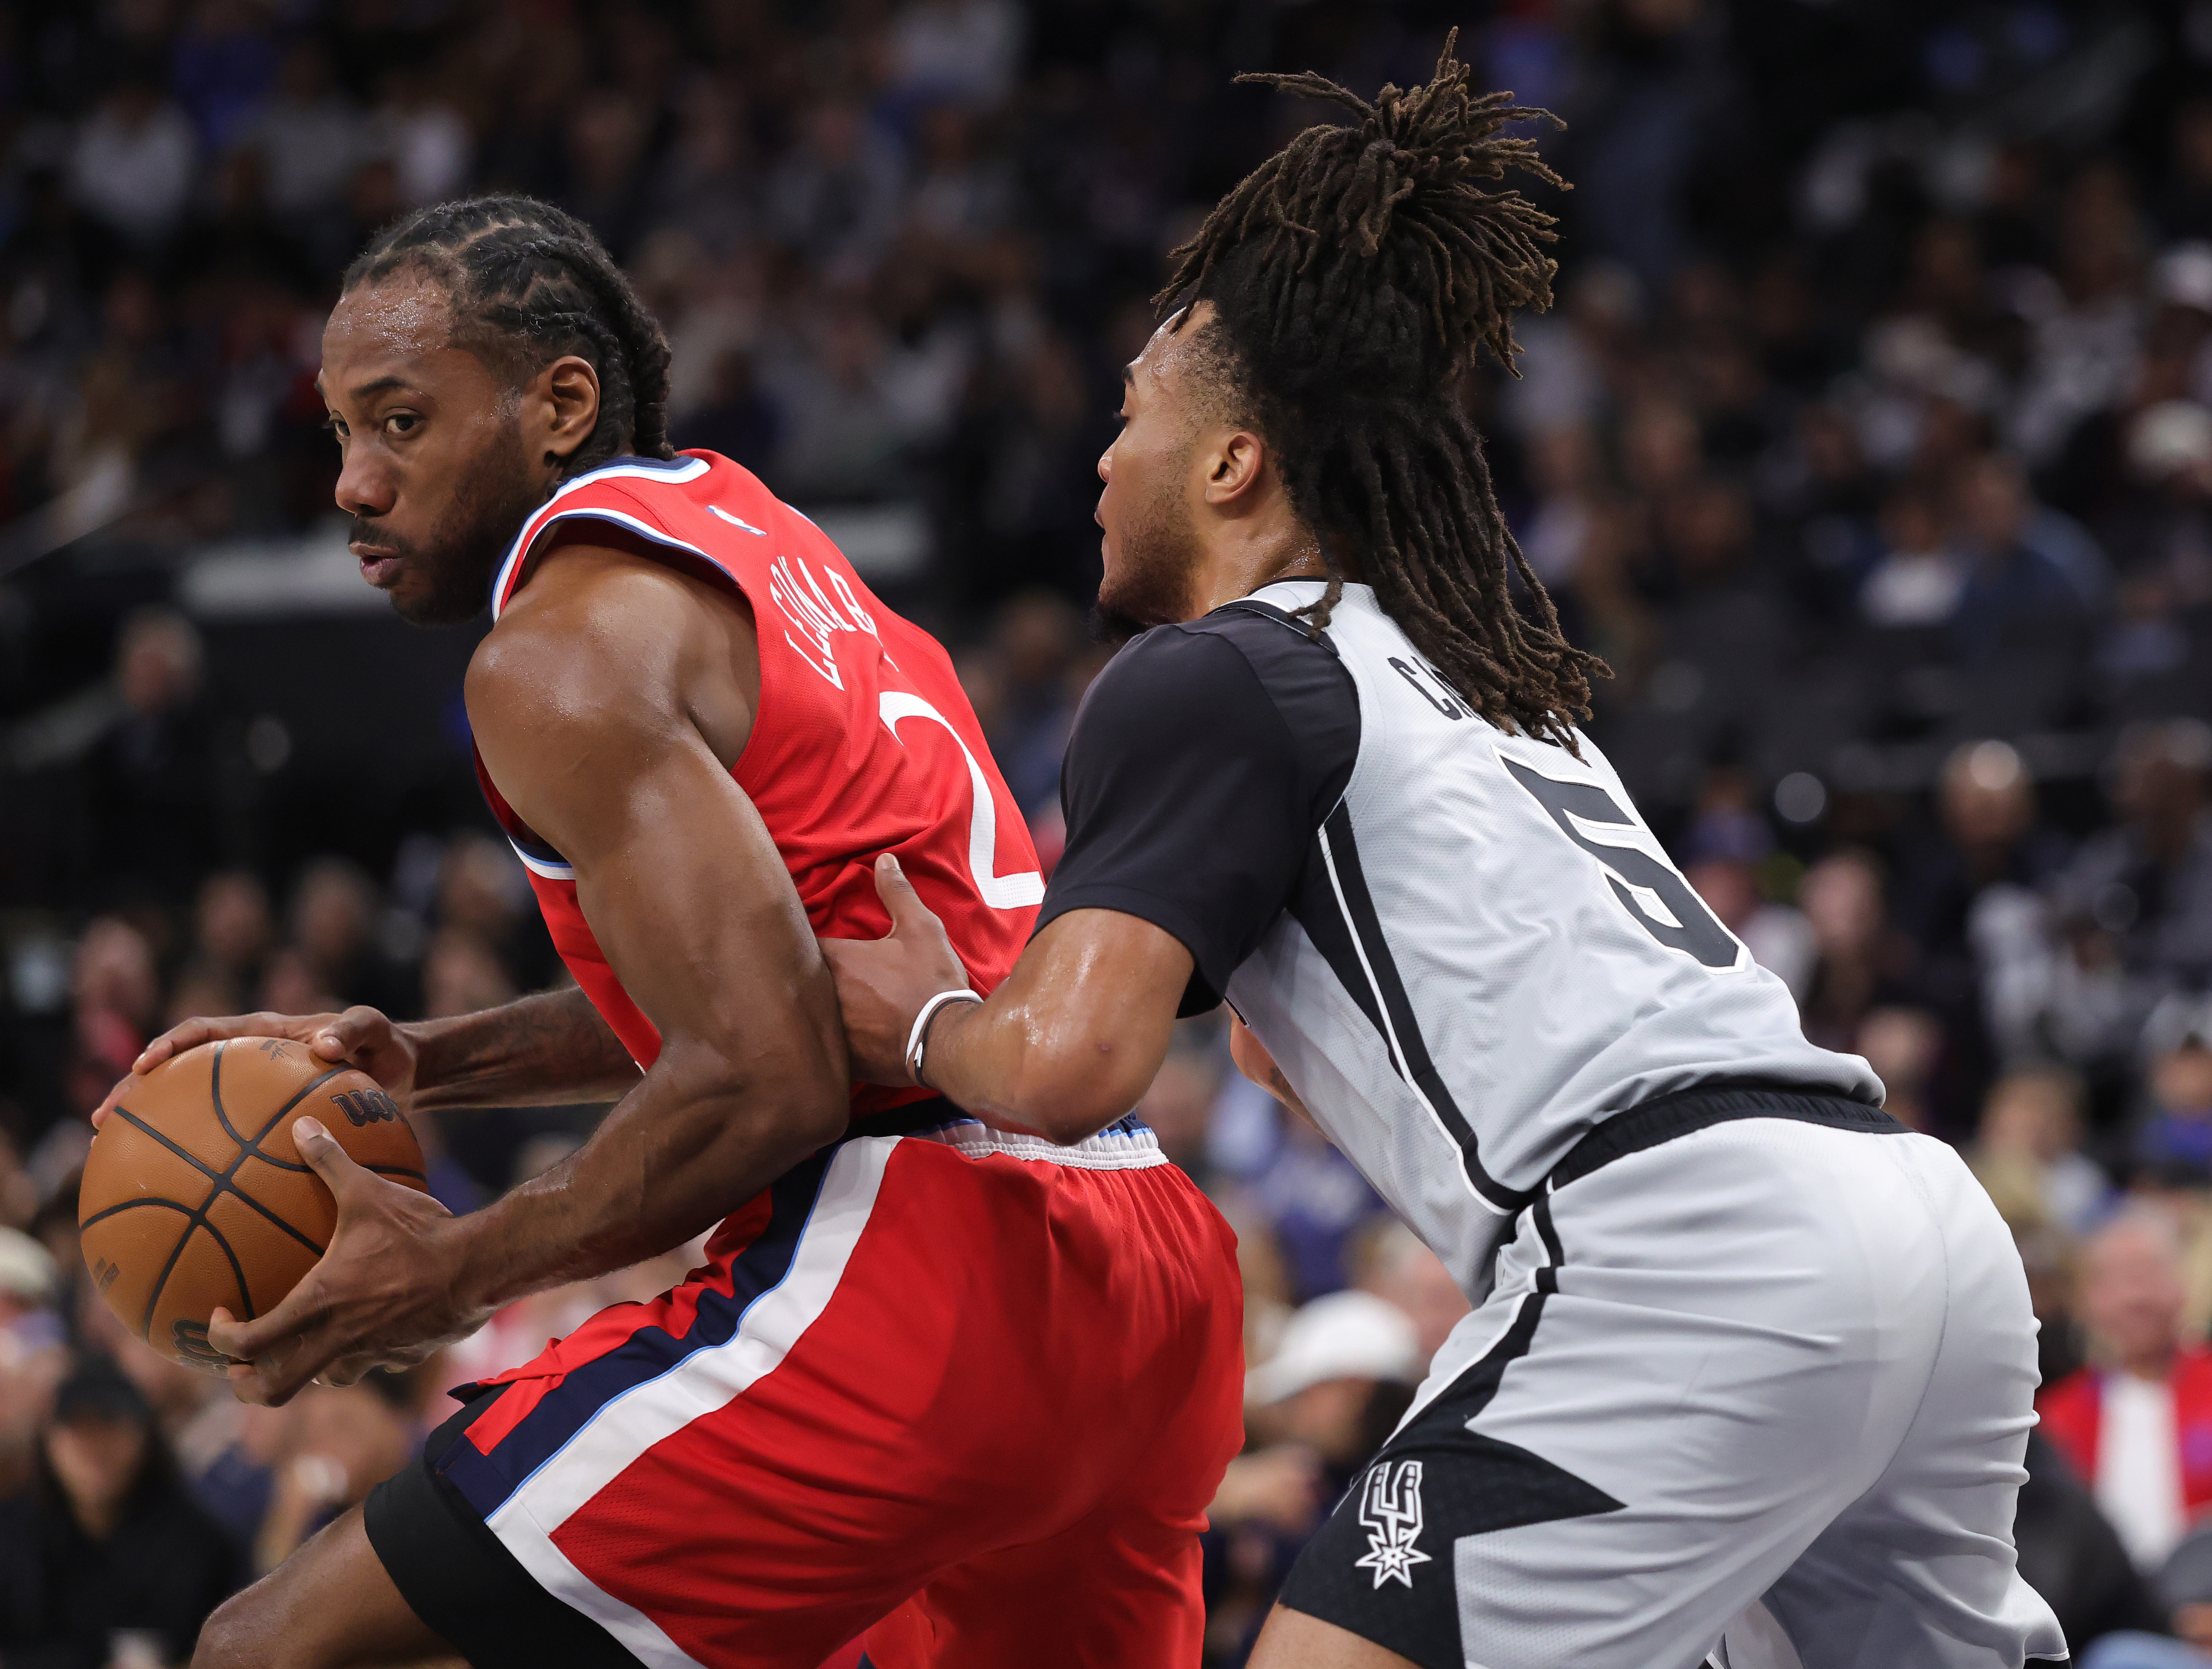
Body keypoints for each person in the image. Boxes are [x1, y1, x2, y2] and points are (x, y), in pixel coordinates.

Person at [821, 40, 2065, 1669]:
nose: (1101, 462)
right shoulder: (1463, 675)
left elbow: (1061, 1066)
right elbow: (1321, 1029)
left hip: (1682, 1245)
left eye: (1131, 420)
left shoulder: (1208, 672)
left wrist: (921, 1017)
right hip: (1910, 1215)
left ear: (1230, 464)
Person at [111, 196, 1242, 1668]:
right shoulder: (766, 544)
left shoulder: (557, 653)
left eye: (398, 423)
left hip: (922, 1273)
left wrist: (455, 1268)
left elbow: (764, 1072)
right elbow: (761, 974)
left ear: (559, 404)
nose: (353, 484)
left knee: (264, 1647)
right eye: (337, 434)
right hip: (1136, 1259)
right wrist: (436, 1064)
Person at [0, 1358, 244, 1668]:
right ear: (49, 1442)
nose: (94, 1450)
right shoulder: (13, 1536)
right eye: (78, 1430)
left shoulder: (201, 1544)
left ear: (145, 1437)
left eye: (110, 1426)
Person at [2039, 1209, 2212, 1573]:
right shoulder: (2058, 1416)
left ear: (2181, 1284)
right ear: (2087, 1300)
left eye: (2149, 1275)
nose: (2135, 1298)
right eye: (2116, 1281)